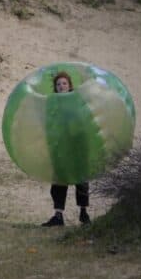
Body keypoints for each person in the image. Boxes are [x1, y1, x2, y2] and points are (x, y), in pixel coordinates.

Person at [42, 72, 91, 227]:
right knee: (59, 180)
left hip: (77, 144)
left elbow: (84, 121)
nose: (61, 86)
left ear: (70, 86)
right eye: (58, 84)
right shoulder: (53, 103)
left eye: (64, 83)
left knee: (81, 180)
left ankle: (83, 213)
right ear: (55, 88)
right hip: (60, 146)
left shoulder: (76, 100)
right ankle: (58, 216)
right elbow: (49, 123)